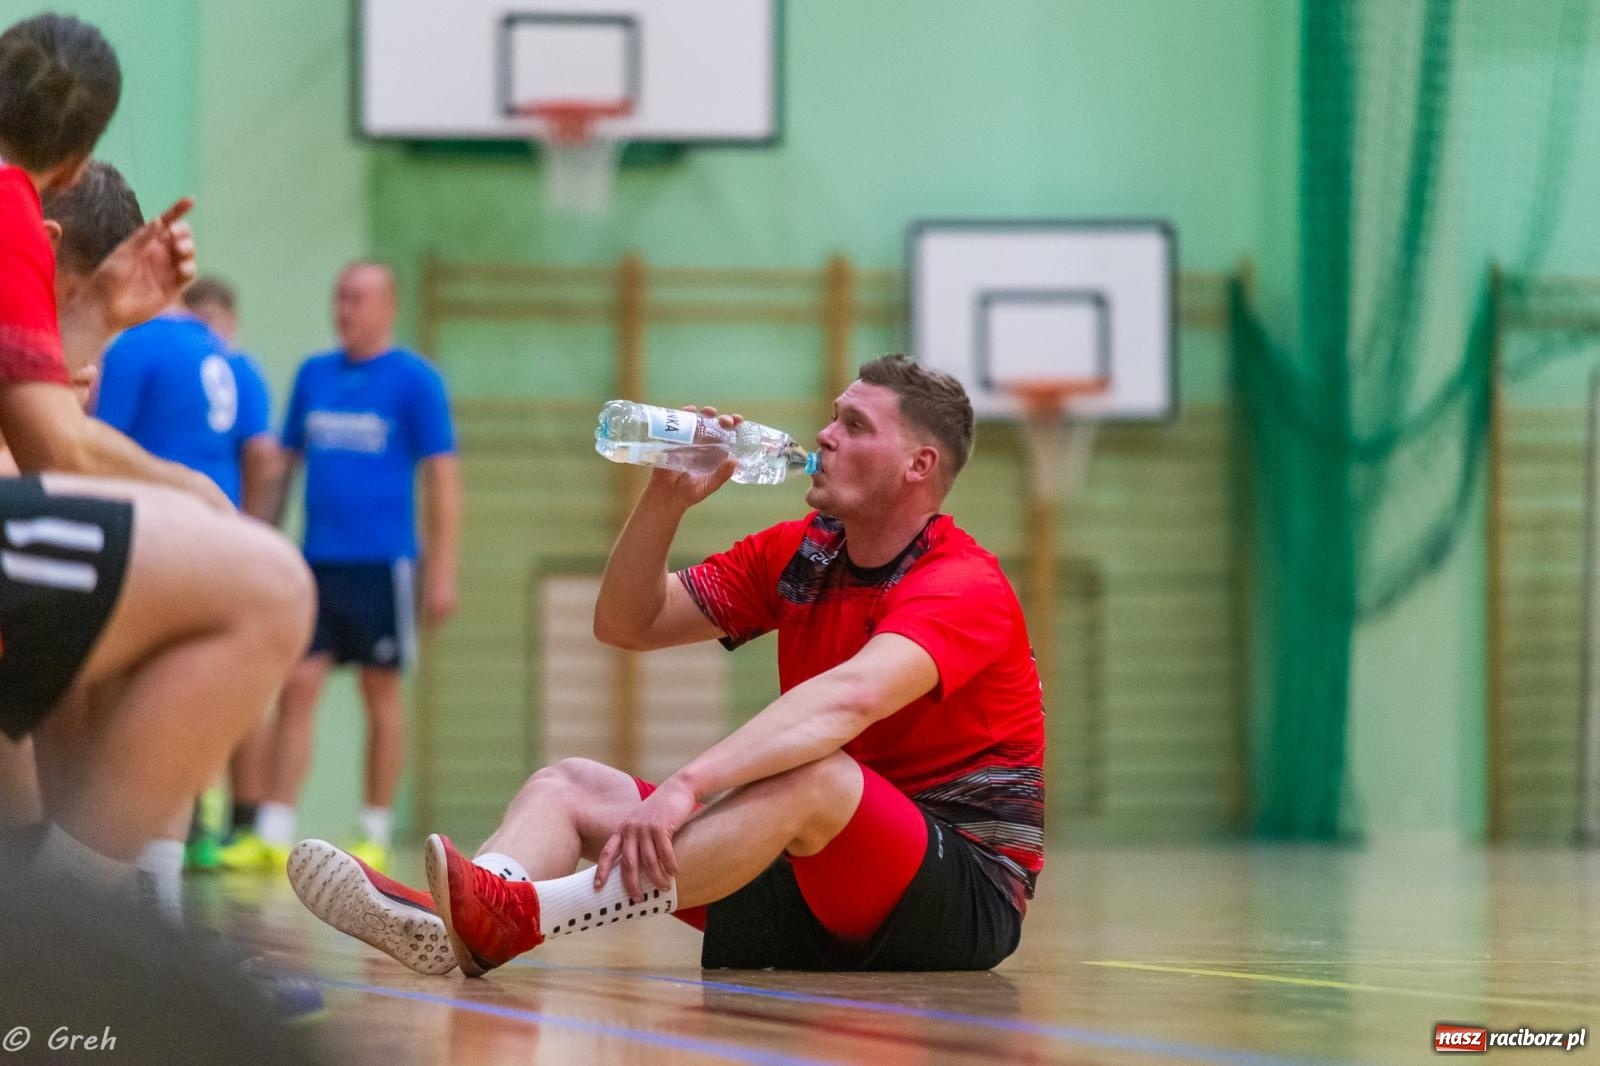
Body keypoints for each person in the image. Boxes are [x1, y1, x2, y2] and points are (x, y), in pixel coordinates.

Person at [291, 355, 1044, 976]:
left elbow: (845, 702)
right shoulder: (800, 551)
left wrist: (686, 787)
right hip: (809, 867)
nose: (825, 433)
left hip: (958, 892)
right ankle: (472, 911)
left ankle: (521, 918)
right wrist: (663, 504)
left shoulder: (962, 583)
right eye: (833, 415)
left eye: (854, 425)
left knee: (815, 773)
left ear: (920, 464)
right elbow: (627, 622)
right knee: (569, 785)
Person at [0, 12, 314, 903]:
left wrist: (94, 311)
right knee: (266, 586)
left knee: (80, 619)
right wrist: (199, 502)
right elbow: (51, 448)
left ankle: (83, 918)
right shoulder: (9, 205)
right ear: (76, 162)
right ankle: (83, 931)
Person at [226, 261, 460, 874]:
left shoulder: (416, 382)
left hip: (384, 565)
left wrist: (442, 571)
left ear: (389, 306)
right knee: (297, 685)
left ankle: (375, 829)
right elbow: (284, 465)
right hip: (317, 563)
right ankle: (273, 831)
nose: (344, 309)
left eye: (357, 298)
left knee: (379, 689)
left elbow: (443, 476)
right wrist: (259, 540)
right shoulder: (313, 375)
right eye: (339, 297)